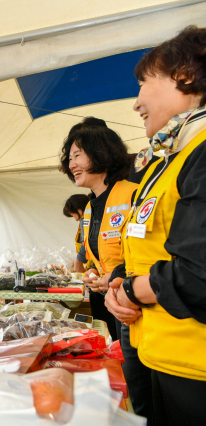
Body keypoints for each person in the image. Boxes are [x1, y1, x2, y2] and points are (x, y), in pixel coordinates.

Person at [105, 26, 206, 426]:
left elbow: (198, 275)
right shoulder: (172, 156)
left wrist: (130, 291)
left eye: (143, 83)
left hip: (195, 371)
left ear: (183, 74)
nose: (136, 103)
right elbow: (151, 246)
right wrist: (119, 281)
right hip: (165, 357)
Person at [59, 117, 137, 342]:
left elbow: (150, 257)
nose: (71, 164)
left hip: (134, 304)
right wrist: (92, 272)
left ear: (101, 153)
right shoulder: (91, 207)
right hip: (109, 300)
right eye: (70, 158)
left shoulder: (134, 194)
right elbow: (96, 256)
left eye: (77, 156)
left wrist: (117, 274)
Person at [62, 193, 91, 273]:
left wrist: (78, 261)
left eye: (73, 214)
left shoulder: (85, 219)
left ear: (79, 209)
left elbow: (86, 241)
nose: (75, 219)